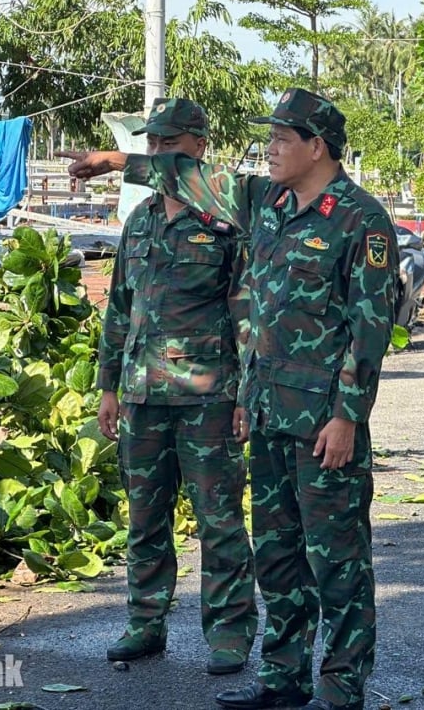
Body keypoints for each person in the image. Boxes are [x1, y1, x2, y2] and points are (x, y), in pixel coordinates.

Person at [63, 88, 398, 710]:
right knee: (277, 556)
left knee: (338, 561)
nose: (268, 149)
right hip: (270, 412)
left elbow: (369, 328)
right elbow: (187, 174)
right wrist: (114, 162)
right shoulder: (264, 203)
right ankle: (284, 676)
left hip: (322, 420)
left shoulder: (360, 218)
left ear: (316, 146)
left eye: (280, 139)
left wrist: (348, 416)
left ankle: (343, 685)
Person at [96, 98, 257, 675]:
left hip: (206, 396)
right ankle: (144, 623)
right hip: (142, 397)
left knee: (218, 523)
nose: (159, 153)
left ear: (199, 148)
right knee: (145, 518)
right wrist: (108, 385)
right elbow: (119, 308)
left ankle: (230, 633)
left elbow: (246, 313)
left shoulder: (224, 222)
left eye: (169, 144)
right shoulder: (139, 221)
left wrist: (245, 394)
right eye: (153, 145)